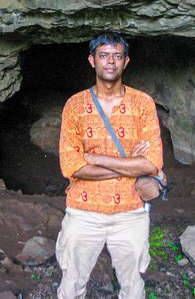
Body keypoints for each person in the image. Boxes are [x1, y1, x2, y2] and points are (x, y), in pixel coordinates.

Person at [57, 32, 163, 299]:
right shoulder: (75, 105)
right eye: (103, 56)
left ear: (126, 62)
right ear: (92, 61)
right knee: (72, 285)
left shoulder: (143, 104)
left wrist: (96, 158)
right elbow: (71, 167)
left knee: (132, 287)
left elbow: (153, 163)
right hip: (83, 211)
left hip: (130, 212)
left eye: (117, 56)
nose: (110, 62)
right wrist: (130, 164)